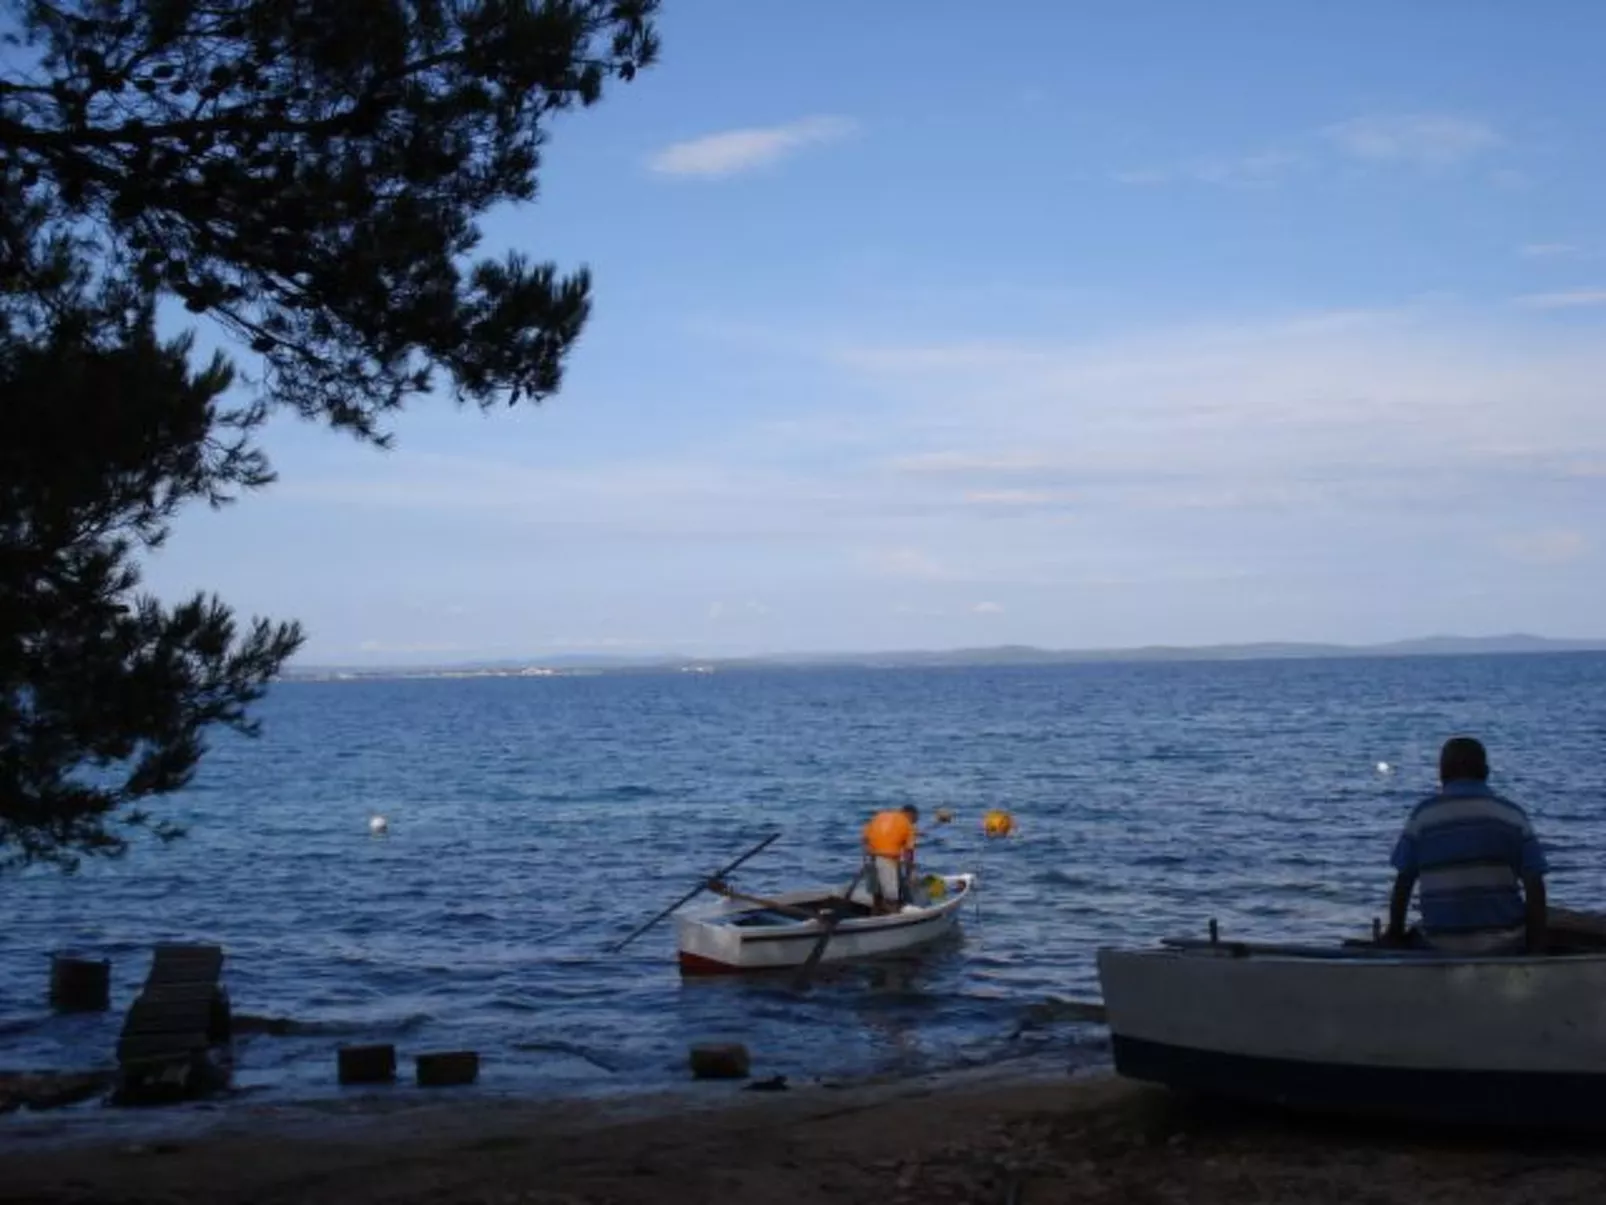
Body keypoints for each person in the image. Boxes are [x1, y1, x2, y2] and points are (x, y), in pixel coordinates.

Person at [1386, 736, 1548, 954]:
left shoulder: (1423, 817)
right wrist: (1536, 947)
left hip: (1439, 945)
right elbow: (1535, 886)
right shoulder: (1512, 817)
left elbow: (1403, 883)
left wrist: (1395, 933)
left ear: (1442, 773)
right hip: (1506, 944)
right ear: (1486, 772)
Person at [862, 805, 919, 913]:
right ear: (911, 815)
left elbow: (865, 838)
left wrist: (868, 856)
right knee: (892, 900)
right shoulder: (907, 825)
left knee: (877, 898)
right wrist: (909, 873)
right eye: (914, 821)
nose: (913, 824)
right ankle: (895, 923)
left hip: (870, 859)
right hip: (887, 860)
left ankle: (875, 919)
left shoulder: (880, 816)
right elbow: (909, 853)